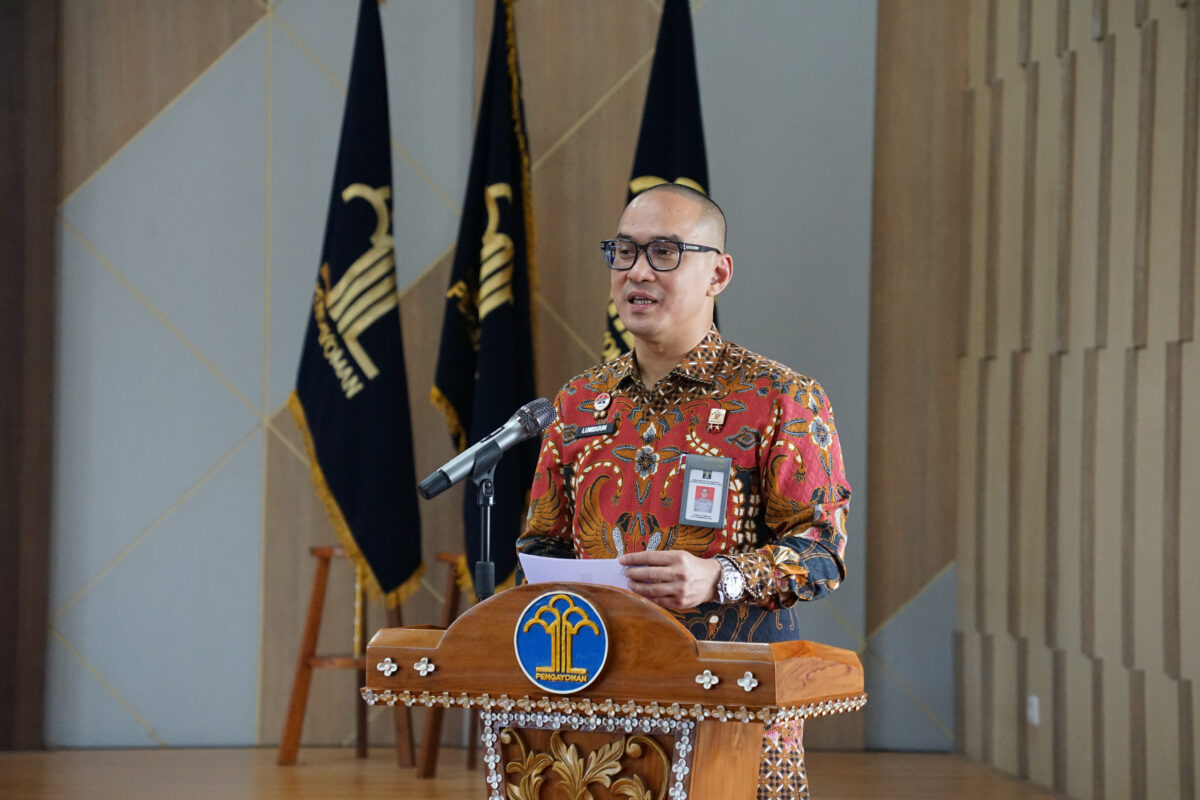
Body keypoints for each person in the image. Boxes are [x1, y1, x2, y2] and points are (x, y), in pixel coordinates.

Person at [516, 183, 851, 800]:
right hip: (594, 701)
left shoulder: (779, 398)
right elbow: (543, 543)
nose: (638, 271)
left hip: (732, 707)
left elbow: (822, 551)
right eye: (624, 251)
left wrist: (719, 576)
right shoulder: (579, 402)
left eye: (665, 252)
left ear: (718, 274)